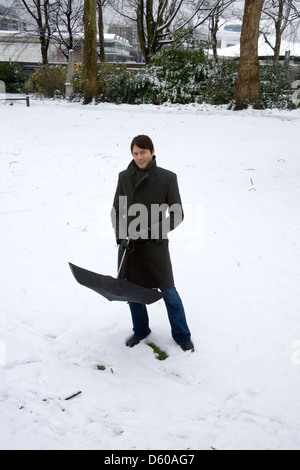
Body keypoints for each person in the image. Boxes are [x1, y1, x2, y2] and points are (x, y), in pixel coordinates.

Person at [111, 135, 194, 352]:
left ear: (152, 151)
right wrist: (121, 235)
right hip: (129, 247)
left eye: (143, 152)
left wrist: (151, 232)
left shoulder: (168, 178)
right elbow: (117, 209)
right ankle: (141, 331)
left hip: (155, 247)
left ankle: (182, 335)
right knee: (132, 293)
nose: (139, 157)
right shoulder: (124, 177)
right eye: (135, 153)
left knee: (169, 293)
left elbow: (177, 214)